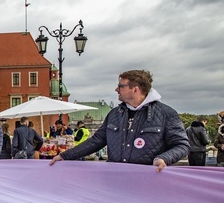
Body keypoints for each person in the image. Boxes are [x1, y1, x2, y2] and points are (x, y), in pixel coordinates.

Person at [51, 70, 189, 171]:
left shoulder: (166, 113)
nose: (116, 89)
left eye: (121, 86)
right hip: (115, 178)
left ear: (135, 89)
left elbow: (182, 145)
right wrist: (65, 156)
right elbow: (96, 141)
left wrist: (164, 158)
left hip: (147, 181)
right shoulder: (115, 114)